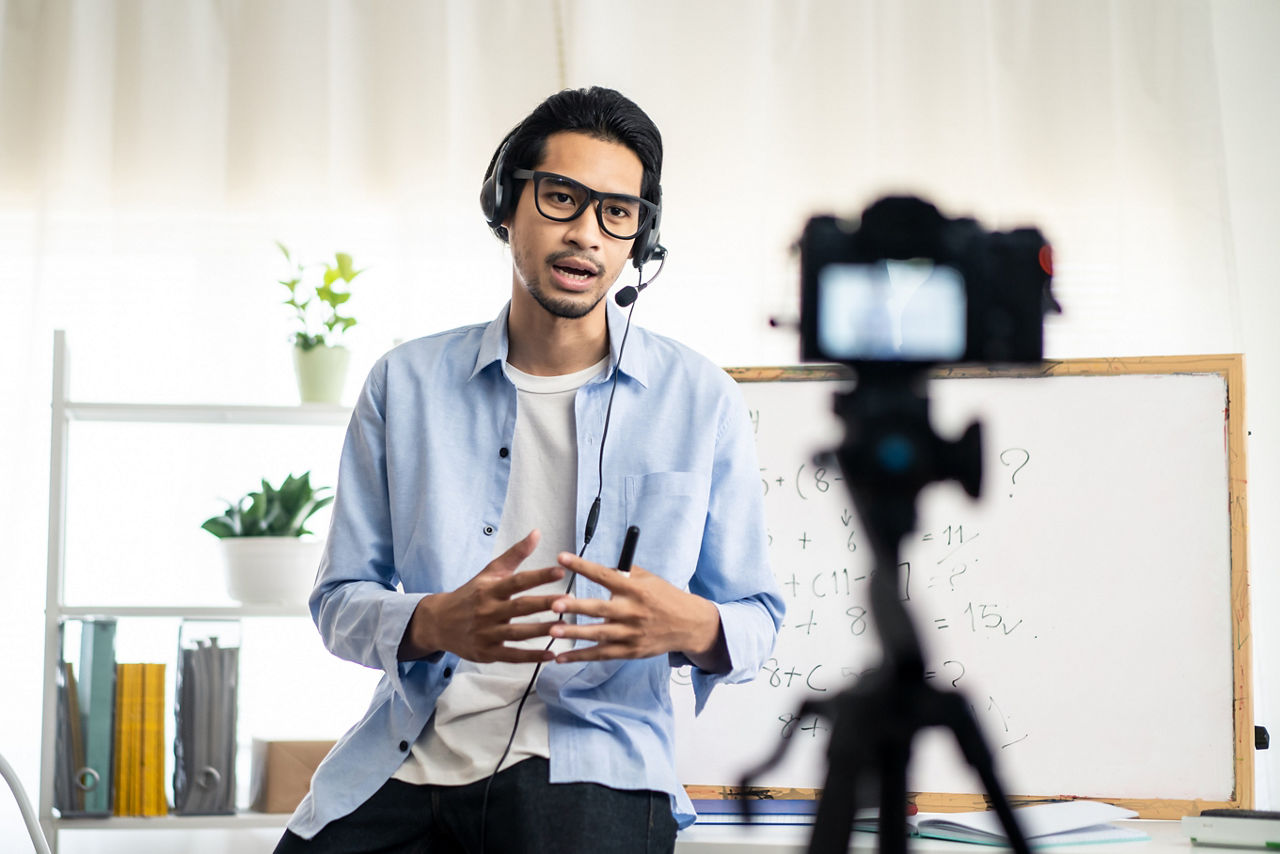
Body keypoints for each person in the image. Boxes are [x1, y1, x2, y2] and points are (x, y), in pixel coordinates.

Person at [276, 86, 784, 854]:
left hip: (595, 764)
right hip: (406, 758)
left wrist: (689, 625)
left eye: (618, 212)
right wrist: (432, 621)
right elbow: (338, 603)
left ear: (640, 240)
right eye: (561, 199)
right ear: (505, 205)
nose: (587, 234)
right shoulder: (403, 384)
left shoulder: (697, 396)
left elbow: (757, 615)